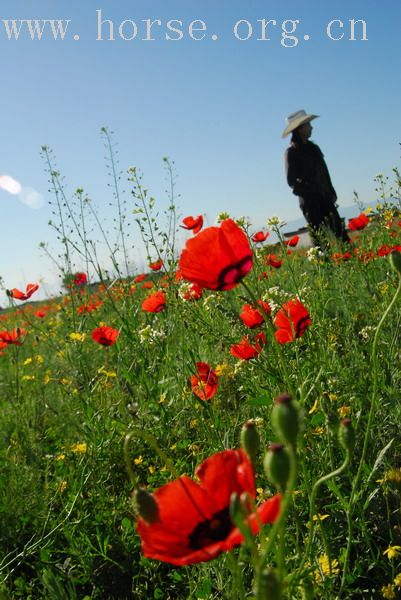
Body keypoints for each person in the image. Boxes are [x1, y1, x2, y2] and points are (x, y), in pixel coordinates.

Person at [283, 109, 350, 247]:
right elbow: (292, 182)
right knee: (320, 241)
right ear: (300, 129)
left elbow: (324, 173)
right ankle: (325, 266)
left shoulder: (314, 148)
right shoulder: (291, 152)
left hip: (326, 197)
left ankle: (353, 260)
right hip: (310, 202)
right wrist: (310, 191)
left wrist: (330, 191)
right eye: (308, 125)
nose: (311, 127)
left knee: (341, 233)